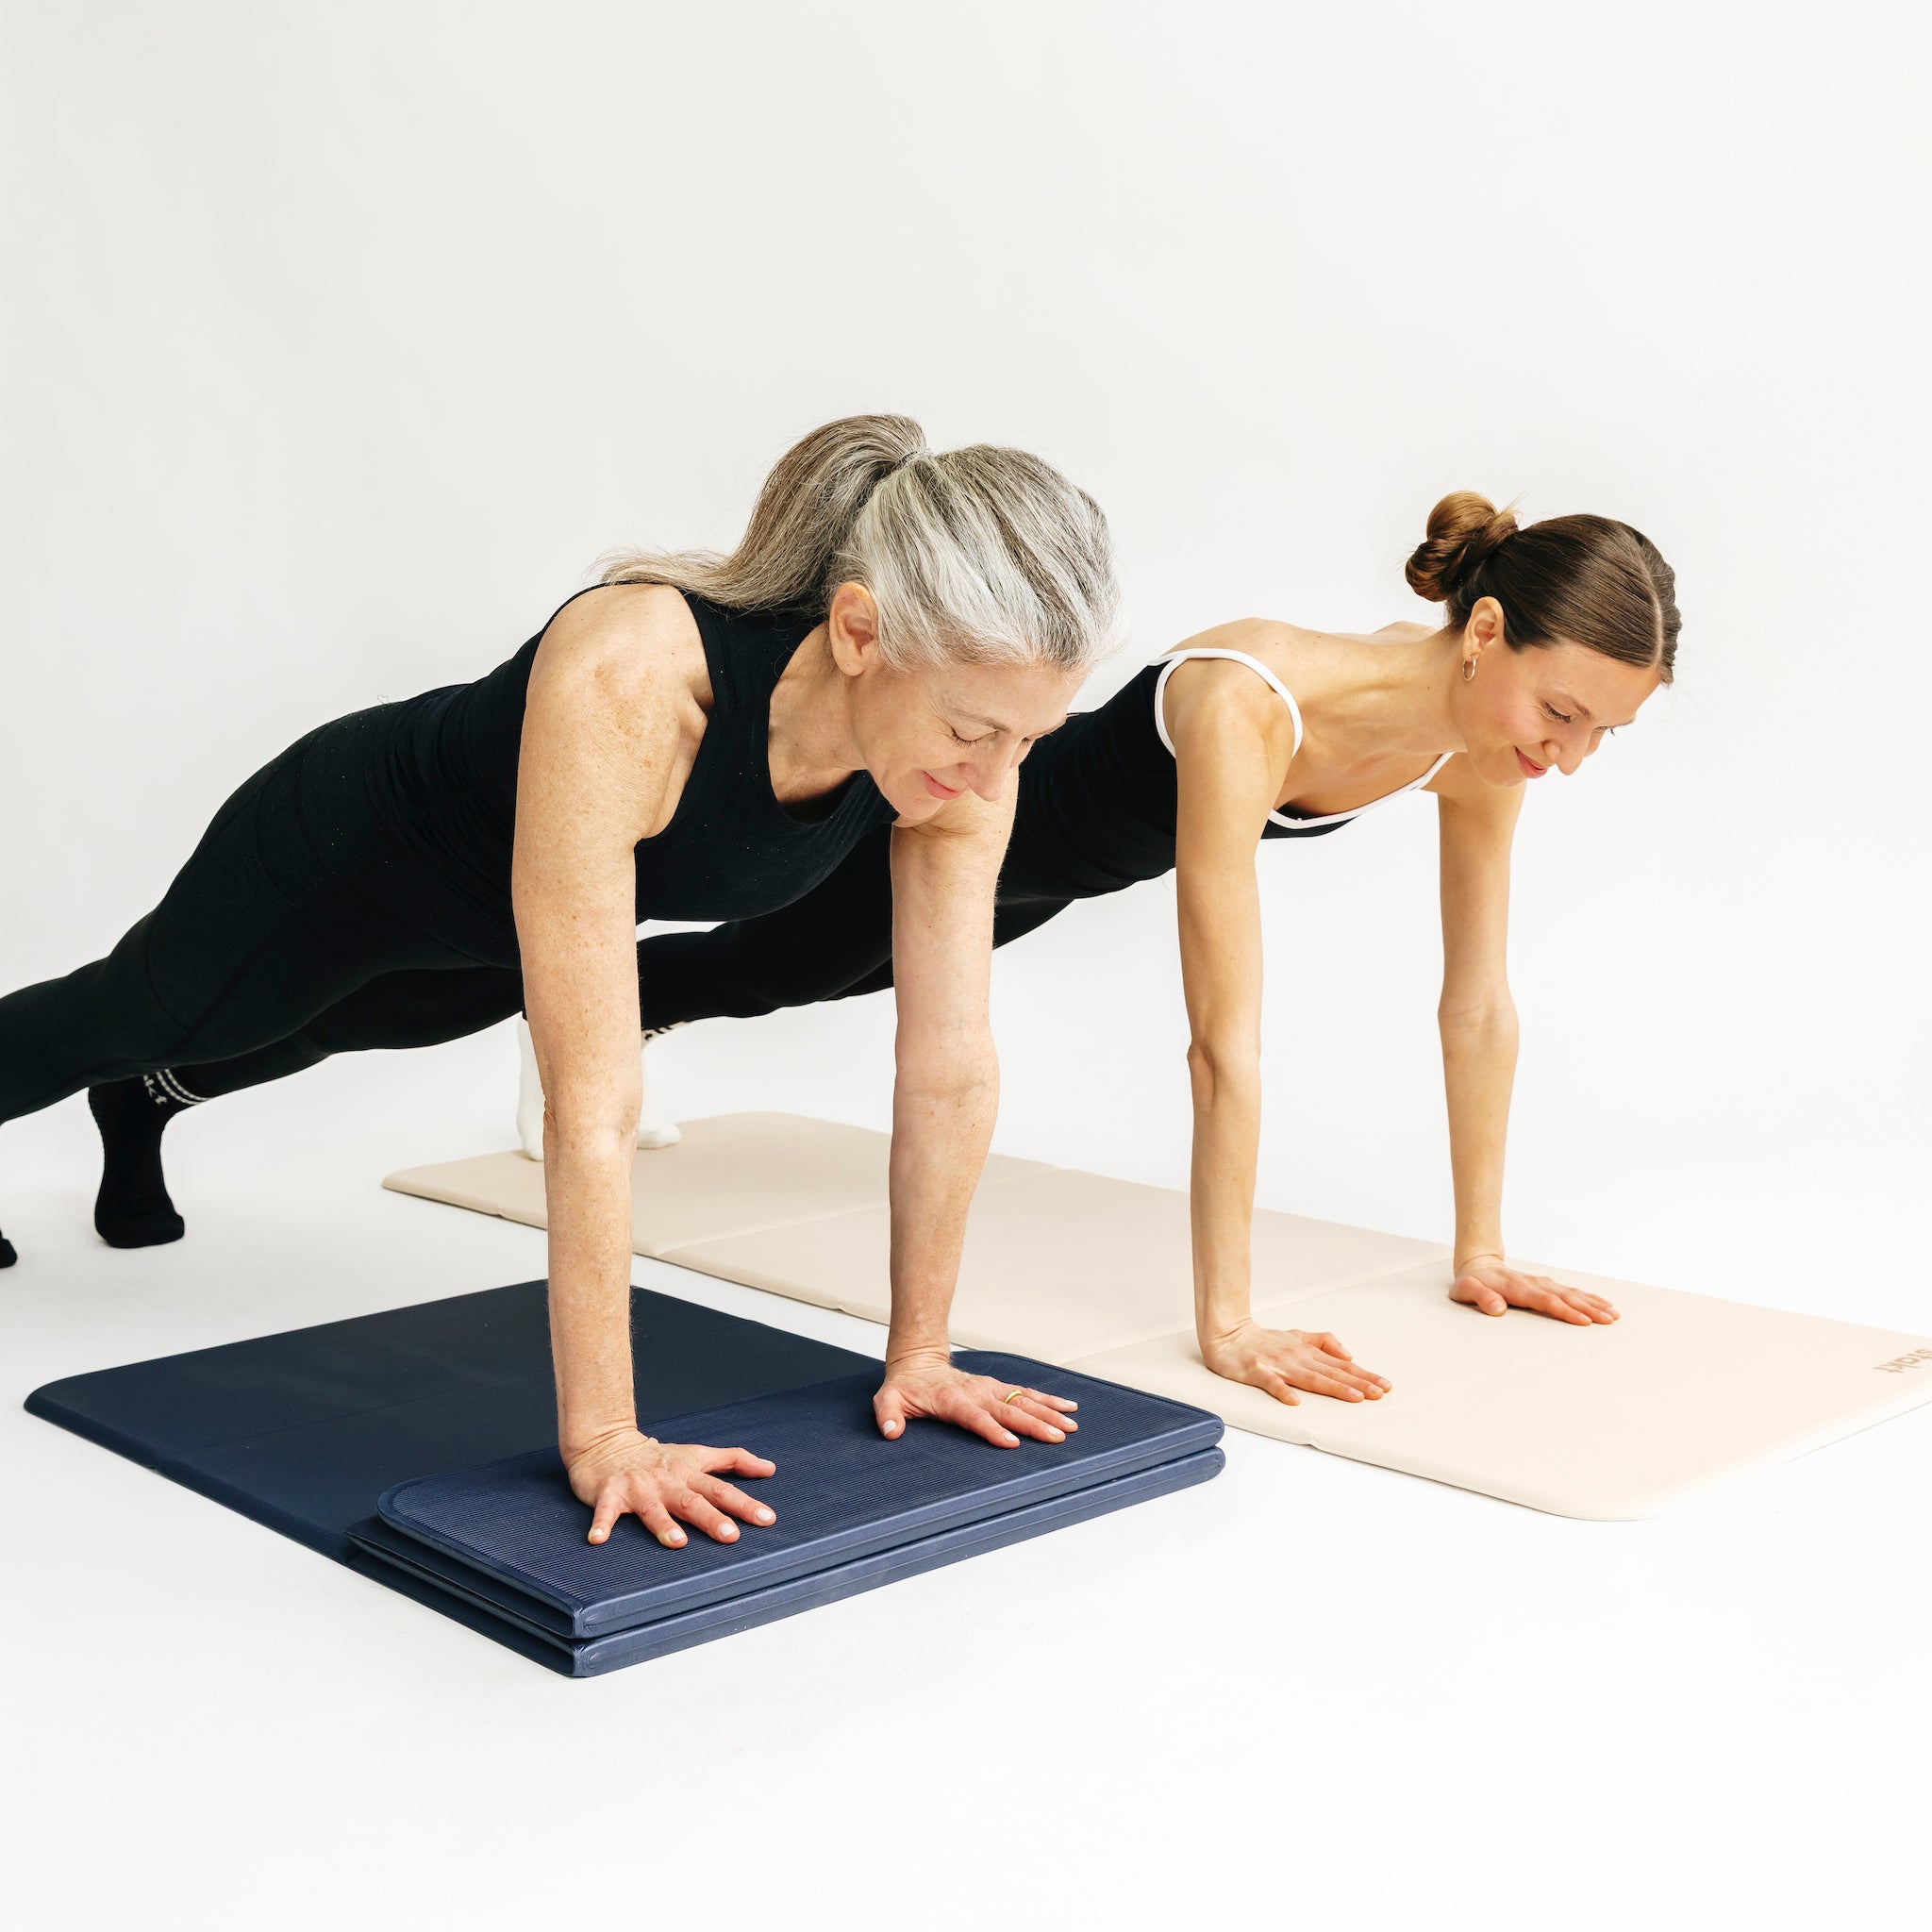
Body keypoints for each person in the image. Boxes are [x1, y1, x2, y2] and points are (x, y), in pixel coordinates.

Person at [0, 415, 1124, 1547]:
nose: (995, 773)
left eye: (1027, 739)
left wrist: (921, 1353)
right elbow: (591, 1100)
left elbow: (947, 1066)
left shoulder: (966, 767)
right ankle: (134, 1068)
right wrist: (606, 1437)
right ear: (857, 631)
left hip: (498, 927)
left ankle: (143, 1101)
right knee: (144, 1010)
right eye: (972, 727)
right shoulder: (637, 671)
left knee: (321, 1030)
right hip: (341, 855)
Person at [518, 493, 1679, 1407]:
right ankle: (576, 1007)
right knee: (785, 968)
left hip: (1062, 876)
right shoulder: (1248, 700)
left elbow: (1476, 1004)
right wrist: (1226, 1322)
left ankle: (602, 1004)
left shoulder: (1481, 754)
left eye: (1600, 732)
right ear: (1486, 631)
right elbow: (1221, 1043)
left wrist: (1480, 1248)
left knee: (809, 971)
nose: (1568, 755)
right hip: (972, 805)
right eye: (1559, 713)